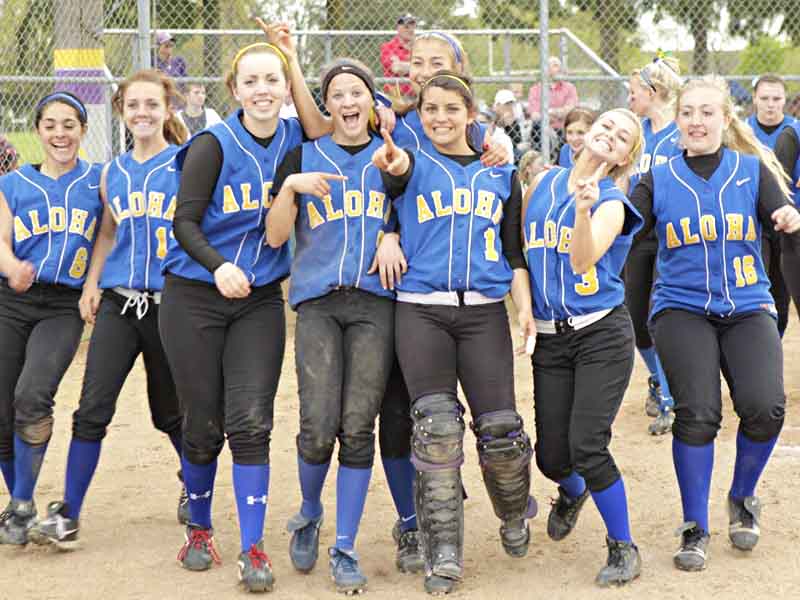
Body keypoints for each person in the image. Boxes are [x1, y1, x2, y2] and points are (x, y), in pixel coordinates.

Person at [258, 20, 510, 576]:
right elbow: (319, 125)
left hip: (395, 299)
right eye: (415, 63)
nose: (422, 72)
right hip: (377, 300)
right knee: (338, 421)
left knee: (390, 419)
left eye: (435, 62)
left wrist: (500, 144)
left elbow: (453, 173)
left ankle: (405, 526)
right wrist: (291, 58)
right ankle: (328, 514)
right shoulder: (388, 122)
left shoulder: (470, 130)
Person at [373, 71, 537, 595]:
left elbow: (514, 250)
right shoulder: (411, 160)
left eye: (450, 108)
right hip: (421, 309)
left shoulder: (499, 170)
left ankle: (513, 512)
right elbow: (391, 176)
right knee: (437, 431)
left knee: (501, 432)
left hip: (485, 310)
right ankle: (443, 552)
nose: (439, 117)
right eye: (430, 109)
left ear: (472, 114)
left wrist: (524, 309)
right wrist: (391, 183)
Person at [628, 75, 800, 572]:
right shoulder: (658, 179)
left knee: (765, 408)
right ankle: (693, 524)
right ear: (676, 120)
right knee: (698, 413)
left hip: (747, 305)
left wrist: (789, 218)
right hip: (682, 308)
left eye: (707, 112)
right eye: (688, 113)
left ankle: (743, 497)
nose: (697, 121)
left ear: (725, 120)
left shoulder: (751, 170)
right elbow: (623, 225)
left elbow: (782, 212)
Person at [158, 42, 304, 593]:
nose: (263, 89)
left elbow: (352, 118)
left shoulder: (296, 140)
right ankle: (198, 527)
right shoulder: (212, 145)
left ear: (287, 88)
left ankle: (252, 546)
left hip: (260, 300)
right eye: (251, 81)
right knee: (202, 427)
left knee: (251, 423)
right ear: (235, 90)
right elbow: (184, 223)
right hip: (194, 295)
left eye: (273, 79)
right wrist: (218, 267)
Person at [27, 70, 189, 551]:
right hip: (120, 303)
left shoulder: (186, 162)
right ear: (120, 111)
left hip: (170, 305)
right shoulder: (111, 172)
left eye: (151, 104)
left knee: (170, 414)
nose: (142, 112)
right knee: (91, 410)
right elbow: (109, 233)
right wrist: (92, 282)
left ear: (167, 109)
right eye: (133, 105)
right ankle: (69, 513)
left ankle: (193, 485)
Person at [267, 59, 402, 595]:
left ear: (373, 102)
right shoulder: (304, 155)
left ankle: (344, 546)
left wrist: (392, 235)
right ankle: (307, 511)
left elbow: (415, 216)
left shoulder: (390, 158)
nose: (348, 101)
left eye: (357, 92)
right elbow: (277, 238)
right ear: (327, 106)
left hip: (374, 303)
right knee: (318, 424)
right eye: (337, 95)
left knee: (357, 425)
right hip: (319, 304)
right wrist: (289, 188)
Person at [524, 108, 645, 586]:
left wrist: (582, 208)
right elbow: (519, 249)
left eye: (622, 137)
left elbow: (582, 261)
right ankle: (573, 492)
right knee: (552, 458)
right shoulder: (542, 181)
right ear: (589, 131)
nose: (610, 136)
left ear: (624, 157)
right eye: (607, 126)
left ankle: (623, 546)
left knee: (588, 445)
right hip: (551, 337)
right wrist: (520, 308)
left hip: (601, 334)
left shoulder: (613, 201)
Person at [0, 92, 103, 544]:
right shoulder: (14, 183)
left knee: (32, 393)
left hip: (64, 304)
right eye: (50, 125)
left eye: (69, 124)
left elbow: (112, 232)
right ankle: (17, 503)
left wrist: (94, 283)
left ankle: (21, 504)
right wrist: (12, 266)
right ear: (38, 131)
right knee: (2, 407)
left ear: (82, 130)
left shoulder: (97, 182)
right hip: (11, 297)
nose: (60, 133)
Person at [625, 55, 683, 435]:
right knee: (634, 320)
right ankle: (660, 379)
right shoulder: (635, 131)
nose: (630, 99)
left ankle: (670, 395)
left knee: (659, 316)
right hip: (636, 234)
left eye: (634, 93)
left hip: (670, 236)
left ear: (652, 92)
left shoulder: (679, 132)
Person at [746, 74, 795, 337]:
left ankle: (773, 342)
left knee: (781, 291)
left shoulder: (794, 131)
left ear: (785, 100)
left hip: (787, 222)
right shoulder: (742, 131)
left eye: (776, 99)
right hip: (754, 222)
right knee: (756, 286)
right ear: (754, 99)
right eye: (764, 98)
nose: (770, 104)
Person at [527, 57, 578, 144]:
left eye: (556, 65)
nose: (554, 68)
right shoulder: (535, 89)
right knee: (537, 126)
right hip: (541, 130)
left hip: (563, 129)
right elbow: (535, 116)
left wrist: (548, 112)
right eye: (550, 65)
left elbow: (569, 110)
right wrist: (558, 113)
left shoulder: (570, 88)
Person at [380, 14, 417, 101]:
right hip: (396, 97)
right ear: (398, 28)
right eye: (407, 27)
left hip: (416, 95)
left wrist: (403, 65)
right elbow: (397, 69)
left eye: (413, 27)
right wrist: (418, 65)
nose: (411, 30)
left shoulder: (418, 47)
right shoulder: (388, 47)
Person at [493, 89, 524, 155]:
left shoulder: (513, 119)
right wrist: (502, 124)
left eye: (511, 104)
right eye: (506, 104)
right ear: (497, 105)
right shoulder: (492, 117)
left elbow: (518, 140)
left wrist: (510, 125)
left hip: (512, 150)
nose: (509, 107)